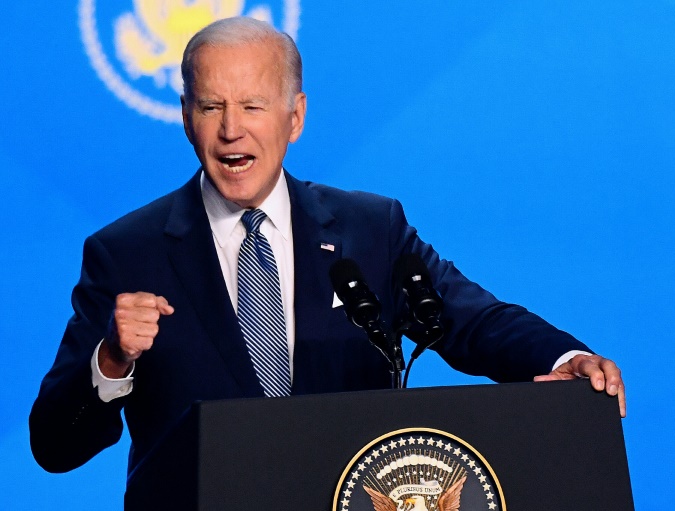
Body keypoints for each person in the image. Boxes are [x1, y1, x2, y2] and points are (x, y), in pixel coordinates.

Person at [30, 17, 625, 475]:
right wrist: (111, 361)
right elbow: (54, 446)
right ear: (186, 116)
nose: (231, 128)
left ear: (295, 117)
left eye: (253, 106)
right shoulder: (126, 251)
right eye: (211, 107)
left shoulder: (371, 229)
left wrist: (562, 360)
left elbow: (471, 321)